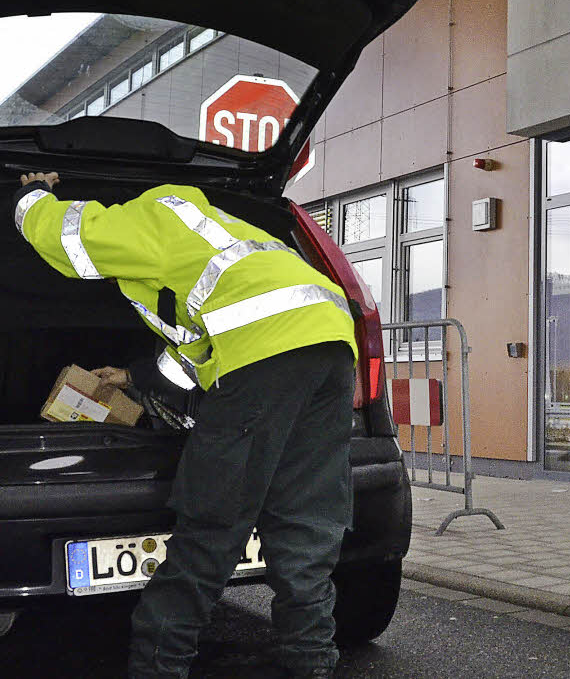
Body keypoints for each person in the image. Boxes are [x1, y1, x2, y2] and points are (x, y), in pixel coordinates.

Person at [13, 172, 358, 679]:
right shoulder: (228, 240)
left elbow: (72, 238)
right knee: (306, 522)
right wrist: (135, 376)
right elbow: (202, 349)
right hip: (330, 347)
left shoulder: (156, 215)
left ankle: (159, 667)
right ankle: (312, 664)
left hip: (266, 354)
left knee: (212, 526)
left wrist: (29, 198)